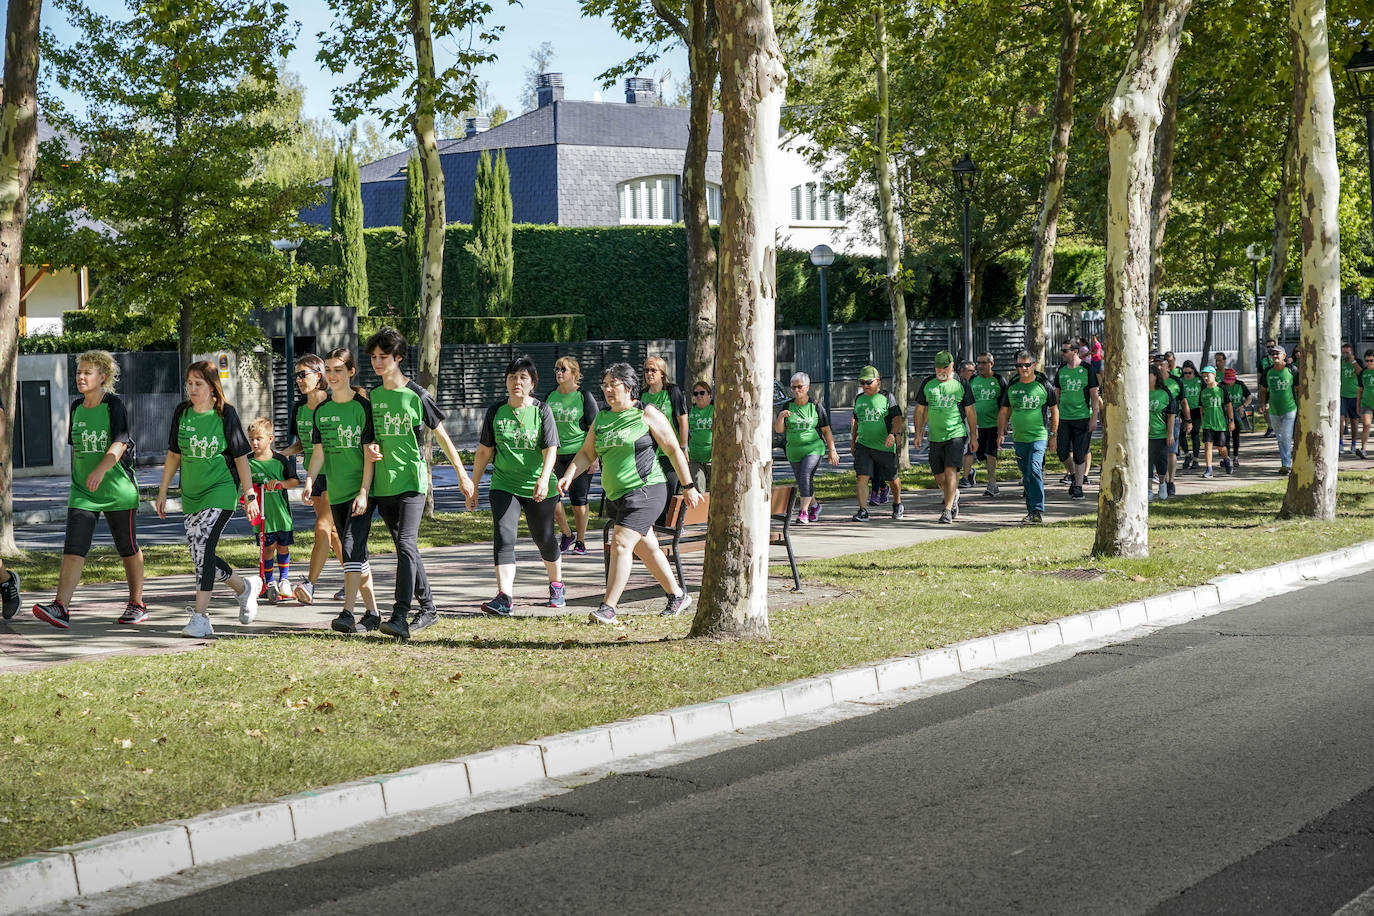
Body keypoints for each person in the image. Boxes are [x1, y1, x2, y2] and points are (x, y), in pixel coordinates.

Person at [558, 363, 699, 624]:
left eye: (614, 384)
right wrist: (568, 476)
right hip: (617, 495)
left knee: (621, 543)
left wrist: (688, 485)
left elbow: (672, 448)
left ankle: (608, 608)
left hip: (647, 489)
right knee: (648, 548)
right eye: (606, 385)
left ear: (630, 387)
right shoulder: (602, 417)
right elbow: (588, 453)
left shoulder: (646, 413)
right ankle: (677, 595)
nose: (608, 390)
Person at [366, 327, 476, 639]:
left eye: (383, 357)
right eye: (373, 357)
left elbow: (444, 437)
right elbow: (370, 437)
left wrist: (462, 475)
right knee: (407, 549)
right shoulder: (372, 397)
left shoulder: (417, 394)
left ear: (398, 358)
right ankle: (428, 608)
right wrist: (372, 445)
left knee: (405, 544)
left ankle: (400, 615)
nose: (377, 362)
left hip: (412, 481)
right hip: (383, 483)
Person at [31, 350, 146, 628]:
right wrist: (80, 478)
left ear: (102, 377)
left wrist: (100, 470)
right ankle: (61, 607)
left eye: (87, 372)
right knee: (73, 548)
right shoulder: (76, 407)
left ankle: (137, 603)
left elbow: (120, 443)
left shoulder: (113, 405)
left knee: (127, 548)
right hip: (83, 492)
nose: (81, 377)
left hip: (117, 489)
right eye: (78, 372)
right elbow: (77, 450)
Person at [156, 360, 262, 638]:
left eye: (198, 383)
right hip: (190, 492)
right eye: (189, 383)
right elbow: (174, 455)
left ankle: (201, 617)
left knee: (203, 548)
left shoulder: (226, 414)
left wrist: (250, 495)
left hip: (221, 489)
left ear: (212, 387)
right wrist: (163, 490)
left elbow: (240, 457)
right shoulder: (182, 413)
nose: (192, 388)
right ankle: (243, 587)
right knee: (199, 555)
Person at [469, 355, 564, 616]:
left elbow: (550, 450)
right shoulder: (496, 411)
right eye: (512, 377)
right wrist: (473, 485)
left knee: (543, 538)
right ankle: (504, 597)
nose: (516, 382)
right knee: (504, 535)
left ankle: (556, 584)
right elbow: (484, 452)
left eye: (522, 378)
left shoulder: (542, 410)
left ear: (532, 383)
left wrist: (545, 479)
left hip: (538, 484)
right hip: (504, 483)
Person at [305, 347, 382, 633]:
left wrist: (364, 491)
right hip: (334, 492)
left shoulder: (363, 407)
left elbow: (369, 454)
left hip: (359, 491)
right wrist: (310, 480)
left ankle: (348, 613)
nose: (332, 375)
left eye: (338, 369)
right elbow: (318, 453)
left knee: (350, 547)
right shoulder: (322, 411)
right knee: (357, 554)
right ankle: (373, 613)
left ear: (351, 371)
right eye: (328, 369)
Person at [283, 354, 345, 606]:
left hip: (335, 475)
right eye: (296, 375)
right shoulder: (298, 409)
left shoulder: (333, 405)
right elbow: (301, 444)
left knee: (321, 528)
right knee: (332, 533)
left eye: (303, 374)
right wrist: (275, 455)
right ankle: (356, 574)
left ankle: (310, 584)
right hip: (314, 476)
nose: (298, 380)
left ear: (319, 376)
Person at [913, 351, 977, 524]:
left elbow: (970, 412)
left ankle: (947, 510)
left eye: (944, 367)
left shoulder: (961, 383)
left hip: (956, 434)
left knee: (950, 470)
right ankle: (953, 493)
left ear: (952, 366)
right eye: (937, 367)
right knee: (939, 477)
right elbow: (920, 410)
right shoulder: (928, 383)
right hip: (935, 437)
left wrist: (974, 437)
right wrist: (919, 433)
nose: (940, 370)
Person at [546, 356, 599, 556]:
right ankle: (567, 533)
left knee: (579, 500)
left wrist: (594, 458)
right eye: (557, 369)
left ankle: (581, 540)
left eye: (564, 370)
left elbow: (595, 428)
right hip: (555, 455)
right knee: (552, 498)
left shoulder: (584, 396)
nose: (559, 373)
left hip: (579, 454)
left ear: (574, 374)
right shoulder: (550, 396)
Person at [999, 351, 1058, 525]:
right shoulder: (1013, 384)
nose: (1023, 369)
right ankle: (1030, 510)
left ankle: (1038, 509)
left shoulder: (1043, 383)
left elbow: (1054, 410)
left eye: (1026, 365)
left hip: (1038, 435)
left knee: (1034, 470)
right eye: (1019, 366)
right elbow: (1004, 410)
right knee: (1026, 475)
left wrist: (1053, 435)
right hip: (1019, 437)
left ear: (1033, 364)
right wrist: (1001, 432)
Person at [246, 418, 300, 601]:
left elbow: (294, 481)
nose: (254, 442)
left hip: (281, 514)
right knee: (267, 548)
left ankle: (284, 579)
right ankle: (268, 582)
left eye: (259, 438)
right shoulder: (247, 462)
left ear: (270, 438)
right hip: (262, 516)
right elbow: (242, 487)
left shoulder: (280, 460)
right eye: (252, 439)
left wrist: (280, 484)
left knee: (283, 547)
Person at [776, 372, 839, 525]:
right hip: (794, 450)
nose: (796, 390)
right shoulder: (787, 405)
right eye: (793, 387)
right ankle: (815, 506)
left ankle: (803, 512)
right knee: (803, 480)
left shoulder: (815, 405)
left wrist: (832, 450)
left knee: (805, 476)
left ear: (807, 387)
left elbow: (826, 430)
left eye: (799, 387)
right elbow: (779, 430)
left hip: (813, 448)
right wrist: (781, 417)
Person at [851, 365, 905, 521]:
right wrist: (853, 441)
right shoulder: (859, 399)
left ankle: (897, 503)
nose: (865, 386)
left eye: (868, 382)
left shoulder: (887, 397)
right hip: (863, 445)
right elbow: (856, 422)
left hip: (884, 446)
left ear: (878, 381)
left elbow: (896, 419)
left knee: (892, 478)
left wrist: (893, 434)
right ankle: (863, 510)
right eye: (862, 382)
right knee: (862, 477)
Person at [1053, 341, 1100, 500]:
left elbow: (1094, 396)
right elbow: (1057, 393)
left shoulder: (1087, 369)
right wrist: (1055, 414)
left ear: (1074, 351)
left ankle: (1079, 486)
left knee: (1080, 454)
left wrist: (1094, 418)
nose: (1062, 353)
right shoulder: (1061, 369)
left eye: (1065, 350)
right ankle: (1073, 475)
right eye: (1062, 350)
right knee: (1062, 452)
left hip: (1082, 417)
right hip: (1064, 418)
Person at [640, 355, 688, 498]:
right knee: (652, 494)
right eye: (646, 370)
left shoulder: (672, 391)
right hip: (650, 453)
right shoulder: (641, 395)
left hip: (669, 451)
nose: (649, 374)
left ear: (662, 373)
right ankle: (657, 521)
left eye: (653, 370)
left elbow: (683, 420)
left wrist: (683, 447)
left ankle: (668, 521)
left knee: (669, 493)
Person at [967, 352, 1007, 497]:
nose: (980, 366)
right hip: (976, 425)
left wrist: (1004, 425)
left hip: (993, 424)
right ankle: (971, 472)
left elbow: (1006, 404)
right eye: (978, 363)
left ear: (991, 364)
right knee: (980, 453)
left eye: (983, 363)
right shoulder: (973, 380)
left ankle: (992, 484)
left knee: (991, 453)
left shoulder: (999, 380)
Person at [1153, 353, 1189, 497]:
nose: (1158, 367)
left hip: (1173, 420)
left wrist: (1188, 420)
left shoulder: (1175, 381)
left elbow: (1183, 402)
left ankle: (1170, 481)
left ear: (1168, 366)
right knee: (1156, 452)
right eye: (1156, 365)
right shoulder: (1150, 381)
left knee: (1171, 451)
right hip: (1154, 420)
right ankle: (1162, 479)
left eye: (1161, 364)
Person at [1260, 345, 1298, 475]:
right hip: (1274, 410)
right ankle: (1285, 462)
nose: (1275, 356)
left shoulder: (1292, 370)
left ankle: (1286, 464)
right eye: (1273, 354)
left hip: (1290, 408)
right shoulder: (1268, 371)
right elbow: (1263, 390)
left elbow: (1299, 389)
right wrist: (1263, 403)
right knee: (1280, 437)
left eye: (1277, 354)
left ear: (1284, 355)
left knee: (1286, 436)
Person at [1195, 366, 1234, 477]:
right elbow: (1201, 407)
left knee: (1221, 447)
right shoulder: (1203, 392)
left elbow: (1229, 405)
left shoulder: (1221, 389)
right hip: (1208, 424)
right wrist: (1203, 421)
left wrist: (1231, 421)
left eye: (1208, 375)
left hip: (1220, 424)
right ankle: (1209, 469)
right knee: (1207, 445)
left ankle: (1226, 459)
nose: (1206, 378)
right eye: (1204, 376)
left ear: (1214, 375)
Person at [1147, 367, 1177, 502]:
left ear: (1155, 376)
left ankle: (1162, 484)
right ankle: (1148, 489)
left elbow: (1171, 415)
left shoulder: (1164, 393)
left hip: (1161, 434)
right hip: (1145, 435)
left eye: (1148, 374)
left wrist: (1170, 433)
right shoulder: (1141, 392)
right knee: (1147, 463)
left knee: (1161, 461)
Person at [686, 381, 714, 491]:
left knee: (717, 490)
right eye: (696, 393)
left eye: (702, 393)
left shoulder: (715, 410)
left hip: (712, 458)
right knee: (698, 488)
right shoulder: (689, 411)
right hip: (695, 458)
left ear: (709, 395)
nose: (699, 396)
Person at [1221, 368, 1252, 466]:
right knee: (1225, 436)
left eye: (1231, 381)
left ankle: (1236, 457)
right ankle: (1226, 458)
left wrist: (1243, 406)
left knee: (1235, 436)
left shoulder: (1240, 384)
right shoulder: (1221, 386)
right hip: (1224, 413)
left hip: (1237, 412)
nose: (1229, 383)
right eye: (1227, 381)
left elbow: (1249, 397)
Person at [955, 359, 978, 489]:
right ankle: (966, 472)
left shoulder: (972, 383)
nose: (973, 373)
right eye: (970, 371)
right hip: (955, 421)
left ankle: (965, 477)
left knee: (968, 449)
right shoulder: (955, 383)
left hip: (967, 420)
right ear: (962, 370)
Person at [1178, 361, 1203, 470]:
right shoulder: (1180, 381)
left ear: (1193, 370)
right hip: (1183, 411)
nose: (1187, 375)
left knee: (1195, 434)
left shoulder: (1199, 381)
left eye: (1189, 372)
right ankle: (1187, 455)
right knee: (1181, 434)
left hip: (1196, 410)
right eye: (1185, 373)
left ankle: (1196, 459)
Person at [1340, 343, 1361, 454]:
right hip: (1342, 395)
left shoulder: (1356, 362)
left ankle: (1353, 444)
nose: (1345, 355)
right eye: (1343, 352)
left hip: (1354, 395)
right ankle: (1340, 443)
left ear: (1352, 352)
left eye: (1347, 352)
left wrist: (1353, 361)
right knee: (1341, 419)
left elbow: (1359, 372)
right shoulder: (1340, 363)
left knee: (1354, 421)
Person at [1258, 339, 1277, 435]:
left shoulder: (1279, 357)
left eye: (1272, 346)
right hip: (1266, 386)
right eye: (1268, 346)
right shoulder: (1263, 360)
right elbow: (1259, 374)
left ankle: (1276, 426)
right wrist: (1259, 387)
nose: (1270, 348)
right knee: (1265, 407)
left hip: (1277, 386)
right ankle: (1270, 427)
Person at [1358, 349, 1374, 459]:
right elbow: (1360, 390)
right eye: (1367, 361)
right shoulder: (1363, 372)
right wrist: (1357, 404)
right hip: (1366, 403)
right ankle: (1363, 449)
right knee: (1366, 425)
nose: (1369, 363)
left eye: (1371, 360)